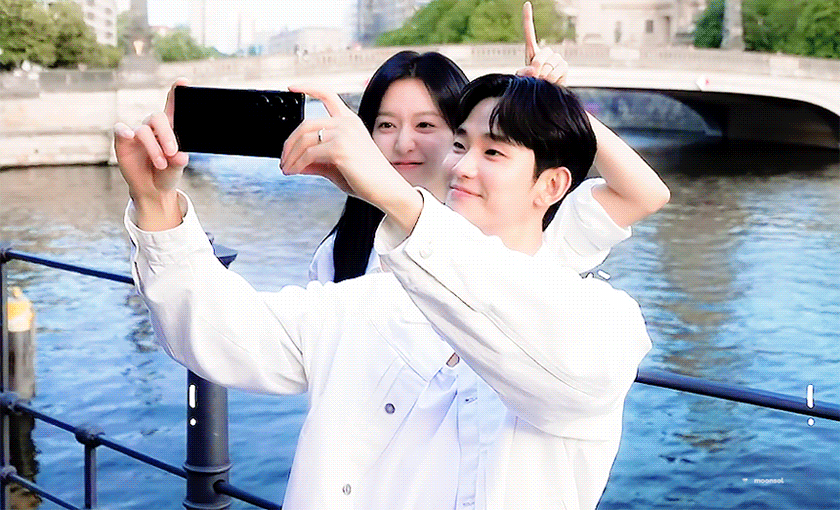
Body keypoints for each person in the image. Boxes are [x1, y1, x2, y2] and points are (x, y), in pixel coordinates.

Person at [115, 70, 653, 509]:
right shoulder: (368, 300)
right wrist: (156, 204)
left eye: (493, 153)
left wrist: (396, 198)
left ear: (551, 185)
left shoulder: (603, 323)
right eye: (460, 144)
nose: (462, 166)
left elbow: (540, 343)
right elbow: (219, 333)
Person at [310, 2, 670, 284]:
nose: (404, 144)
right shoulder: (343, 251)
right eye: (386, 125)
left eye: (425, 125)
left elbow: (644, 194)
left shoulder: (521, 228)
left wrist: (551, 101)